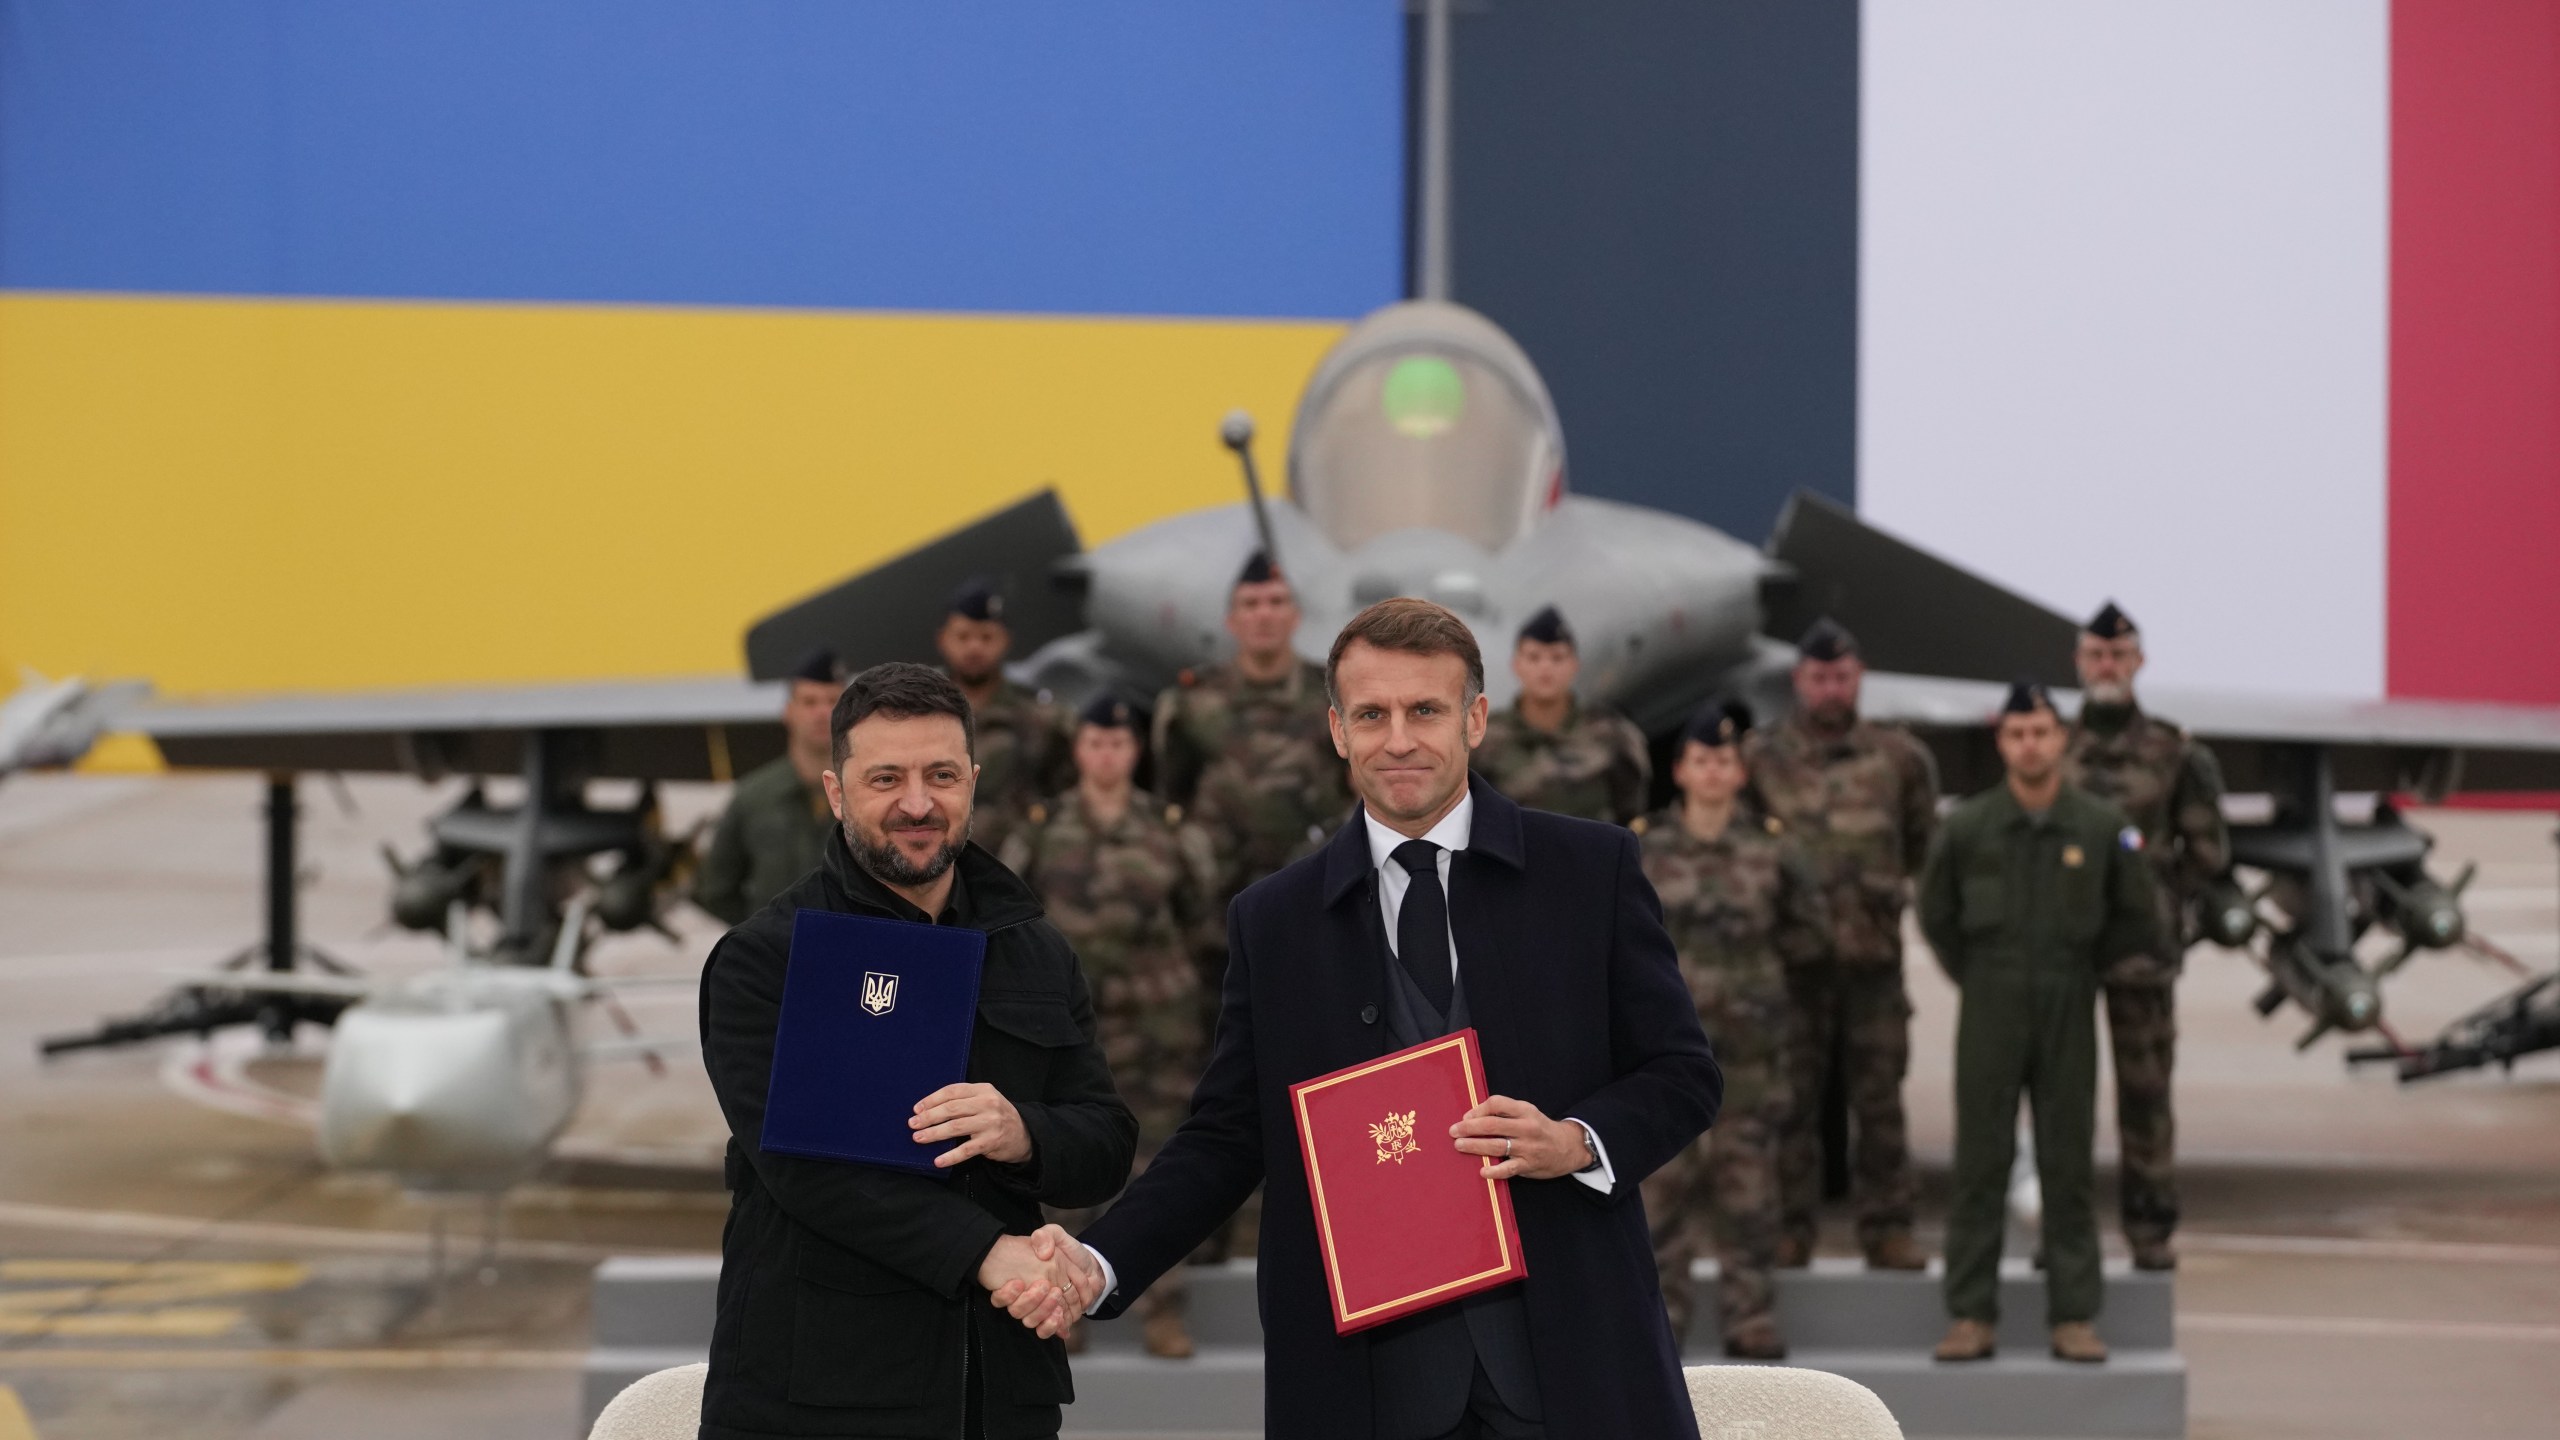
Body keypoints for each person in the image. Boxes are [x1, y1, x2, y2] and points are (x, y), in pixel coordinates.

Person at [1017, 597, 1723, 1440]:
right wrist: (1101, 1260)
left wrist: (1577, 1141)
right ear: (1337, 730)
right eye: (1371, 715)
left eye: (1425, 710)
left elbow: (1683, 1074)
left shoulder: (1589, 870)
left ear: (1475, 720)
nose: (1398, 740)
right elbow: (1227, 1136)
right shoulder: (1274, 921)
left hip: (1572, 1358)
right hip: (1366, 1387)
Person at [696, 662, 1138, 1440]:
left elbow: (1104, 1142)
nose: (917, 803)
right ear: (836, 792)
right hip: (817, 1400)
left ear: (972, 781)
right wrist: (986, 1252)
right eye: (885, 779)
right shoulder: (768, 959)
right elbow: (806, 1171)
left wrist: (1024, 1132)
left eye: (941, 775)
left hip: (999, 1395)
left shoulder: (1033, 948)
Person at [1919, 680, 2156, 1366]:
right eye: (2018, 734)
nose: (2030, 745)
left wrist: (2080, 969)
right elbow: (1937, 915)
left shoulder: (2100, 827)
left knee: (2068, 1159)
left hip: (2068, 1001)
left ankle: (2074, 1315)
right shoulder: (1967, 827)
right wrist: (1979, 974)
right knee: (1980, 1161)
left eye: (2042, 733)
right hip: (1990, 1005)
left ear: (2062, 740)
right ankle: (1970, 1314)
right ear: (2001, 742)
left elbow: (2135, 914)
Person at [999, 694, 1221, 1360]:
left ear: (1135, 751)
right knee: (1061, 1167)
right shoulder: (1041, 830)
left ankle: (1163, 1309)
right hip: (1068, 1033)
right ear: (1078, 749)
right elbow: (1012, 922)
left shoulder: (1171, 830)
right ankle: (1059, 1304)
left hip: (1157, 1031)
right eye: (1095, 742)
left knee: (1160, 1166)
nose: (1106, 755)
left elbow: (1200, 919)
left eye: (1118, 744)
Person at [1149, 550, 1351, 1259]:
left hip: (1307, 918)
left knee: (1311, 1066)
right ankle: (1207, 1231)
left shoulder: (1328, 699)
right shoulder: (1193, 704)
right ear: (1232, 620)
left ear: (1294, 615)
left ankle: (1307, 1224)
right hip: (1214, 924)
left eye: (1275, 603)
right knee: (1218, 1077)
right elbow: (1172, 797)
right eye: (1251, 605)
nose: (1264, 616)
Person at [1743, 618, 1939, 1271]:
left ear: (1859, 678)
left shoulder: (1899, 758)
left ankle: (1888, 1227)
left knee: (1879, 1101)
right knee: (1791, 1102)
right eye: (1819, 677)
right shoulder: (1761, 757)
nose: (1831, 688)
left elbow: (1921, 847)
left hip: (1872, 965)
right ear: (1800, 680)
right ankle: (1791, 1228)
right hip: (1794, 966)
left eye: (1842, 677)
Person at [1636, 702, 1829, 1360]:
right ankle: (1660, 1324)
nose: (1714, 771)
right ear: (1680, 771)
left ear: (1741, 771)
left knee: (1748, 1191)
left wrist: (1758, 990)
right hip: (1664, 1054)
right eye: (1702, 760)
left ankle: (1751, 1317)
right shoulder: (1644, 848)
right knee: (1660, 1191)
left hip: (1749, 1054)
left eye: (1724, 760)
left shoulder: (1773, 848)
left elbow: (1810, 936)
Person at [2064, 601, 2228, 1272]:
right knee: (2061, 1097)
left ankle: (2150, 1228)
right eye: (2096, 656)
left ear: (2139, 662)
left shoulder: (2173, 751)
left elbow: (2209, 851)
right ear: (2079, 663)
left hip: (2141, 953)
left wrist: (2155, 898)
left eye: (2118, 656)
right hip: (2065, 952)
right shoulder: (2051, 747)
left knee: (2146, 1093)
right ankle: (2063, 1234)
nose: (2107, 667)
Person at [693, 648, 844, 925]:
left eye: (833, 701)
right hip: (775, 948)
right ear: (788, 711)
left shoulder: (867, 791)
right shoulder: (754, 797)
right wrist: (759, 933)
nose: (823, 712)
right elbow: (716, 889)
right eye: (809, 702)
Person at [1474, 605, 1651, 825]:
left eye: (1557, 658)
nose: (1546, 668)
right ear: (1516, 665)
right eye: (1534, 658)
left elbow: (1630, 810)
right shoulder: (1486, 738)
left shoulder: (1612, 733)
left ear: (1574, 665)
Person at [937, 577, 1070, 857]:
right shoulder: (919, 711)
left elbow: (1067, 796)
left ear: (1005, 640)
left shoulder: (1041, 718)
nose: (974, 648)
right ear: (943, 640)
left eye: (986, 637)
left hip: (1014, 864)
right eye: (963, 637)